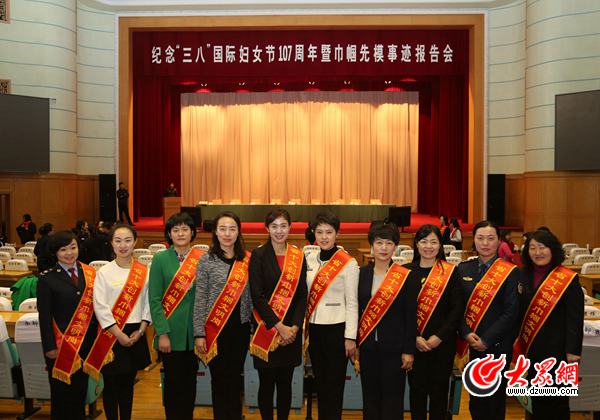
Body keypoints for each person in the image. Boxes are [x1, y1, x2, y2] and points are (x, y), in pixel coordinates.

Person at [515, 229, 583, 419]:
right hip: (531, 349)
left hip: (559, 352)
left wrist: (573, 351)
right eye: (532, 248)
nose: (537, 252)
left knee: (557, 400)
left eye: (542, 247)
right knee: (535, 400)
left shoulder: (567, 278)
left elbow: (575, 318)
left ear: (552, 249)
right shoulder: (522, 275)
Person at [456, 220, 519, 420]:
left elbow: (511, 312)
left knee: (495, 400)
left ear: (499, 241)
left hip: (498, 345)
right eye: (480, 238)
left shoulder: (510, 271)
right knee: (475, 399)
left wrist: (487, 340)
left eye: (490, 238)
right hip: (471, 344)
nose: (485, 243)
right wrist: (466, 332)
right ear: (473, 240)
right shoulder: (463, 269)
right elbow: (456, 308)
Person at [249, 208, 307, 420]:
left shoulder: (298, 256)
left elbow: (302, 295)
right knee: (266, 384)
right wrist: (279, 327)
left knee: (285, 385)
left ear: (290, 228)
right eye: (274, 226)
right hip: (267, 330)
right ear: (267, 228)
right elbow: (257, 296)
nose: (279, 231)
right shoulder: (258, 255)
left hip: (291, 333)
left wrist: (294, 328)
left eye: (283, 226)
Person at [357, 221, 419, 420]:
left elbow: (410, 316)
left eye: (389, 243)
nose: (383, 248)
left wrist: (408, 350)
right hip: (367, 347)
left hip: (395, 349)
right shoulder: (361, 274)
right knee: (370, 397)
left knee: (393, 399)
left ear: (395, 247)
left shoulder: (405, 277)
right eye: (379, 243)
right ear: (371, 246)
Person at [193, 211, 252, 420]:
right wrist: (199, 333)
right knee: (218, 379)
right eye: (223, 229)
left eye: (232, 229)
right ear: (215, 232)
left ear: (238, 232)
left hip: (240, 329)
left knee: (235, 378)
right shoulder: (206, 260)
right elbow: (200, 298)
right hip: (214, 329)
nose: (227, 234)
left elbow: (252, 297)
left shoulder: (247, 260)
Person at [90, 224, 151, 420]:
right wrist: (118, 334)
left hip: (136, 332)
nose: (123, 245)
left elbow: (148, 303)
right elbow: (100, 306)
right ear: (111, 243)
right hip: (112, 334)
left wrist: (141, 330)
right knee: (111, 386)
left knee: (128, 385)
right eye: (118, 241)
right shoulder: (104, 272)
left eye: (127, 240)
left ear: (135, 242)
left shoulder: (144, 271)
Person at [37, 230, 98, 420]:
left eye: (73, 247)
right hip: (60, 347)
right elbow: (44, 316)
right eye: (63, 249)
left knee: (80, 394)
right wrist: (49, 347)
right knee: (61, 396)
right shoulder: (47, 278)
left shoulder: (90, 274)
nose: (69, 253)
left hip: (85, 345)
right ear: (55, 252)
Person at [405, 224, 464, 420]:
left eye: (433, 242)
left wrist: (439, 337)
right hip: (414, 345)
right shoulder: (405, 272)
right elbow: (401, 311)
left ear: (440, 245)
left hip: (442, 345)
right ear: (416, 244)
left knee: (439, 394)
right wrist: (414, 337)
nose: (428, 246)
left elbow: (456, 310)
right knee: (416, 394)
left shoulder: (450, 272)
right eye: (424, 241)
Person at [304, 212, 359, 420]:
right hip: (315, 329)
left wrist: (350, 337)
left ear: (337, 233)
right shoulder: (309, 259)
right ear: (314, 233)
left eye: (329, 232)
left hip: (337, 330)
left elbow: (352, 303)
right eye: (319, 232)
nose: (324, 237)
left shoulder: (348, 263)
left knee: (334, 386)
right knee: (321, 383)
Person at [149, 212, 203, 420]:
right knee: (172, 385)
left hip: (194, 333)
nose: (180, 234)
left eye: (185, 229)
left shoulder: (201, 258)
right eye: (175, 230)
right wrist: (162, 332)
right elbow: (154, 299)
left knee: (190, 383)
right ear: (169, 234)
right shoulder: (160, 259)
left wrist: (201, 332)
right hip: (170, 334)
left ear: (192, 233)